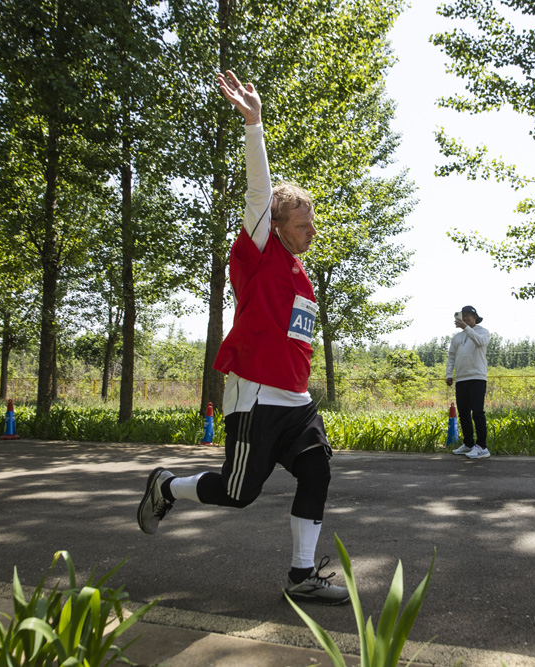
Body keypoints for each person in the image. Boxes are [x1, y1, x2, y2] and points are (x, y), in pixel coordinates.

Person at [136, 69, 348, 605]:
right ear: (275, 227)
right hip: (255, 395)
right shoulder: (259, 255)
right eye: (302, 223)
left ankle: (301, 574)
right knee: (238, 493)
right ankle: (166, 486)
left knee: (317, 469)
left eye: (313, 221)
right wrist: (255, 126)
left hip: (295, 402)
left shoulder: (302, 276)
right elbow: (259, 190)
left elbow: (295, 340)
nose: (311, 229)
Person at [445, 305, 491, 459]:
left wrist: (466, 328)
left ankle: (482, 447)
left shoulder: (483, 331)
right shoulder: (457, 337)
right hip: (462, 378)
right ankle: (469, 444)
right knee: (463, 413)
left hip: (477, 377)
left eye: (468, 315)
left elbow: (480, 342)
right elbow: (451, 356)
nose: (465, 318)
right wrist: (448, 374)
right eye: (462, 315)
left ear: (475, 317)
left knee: (477, 412)